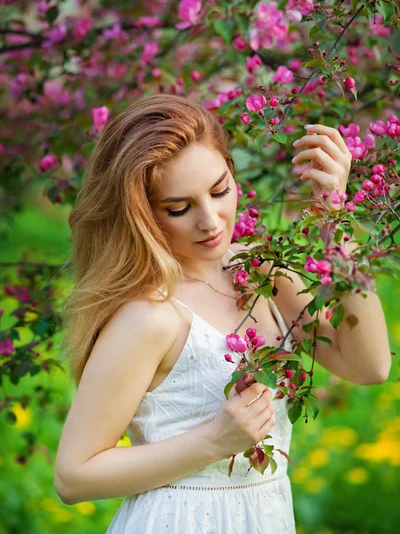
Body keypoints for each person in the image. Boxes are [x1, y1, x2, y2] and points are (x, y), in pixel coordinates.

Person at [53, 94, 306, 532]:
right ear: (144, 216)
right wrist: (213, 441)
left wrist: (335, 211)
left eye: (219, 190)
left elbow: (371, 366)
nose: (210, 221)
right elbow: (73, 477)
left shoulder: (261, 273)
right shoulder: (149, 315)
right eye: (179, 208)